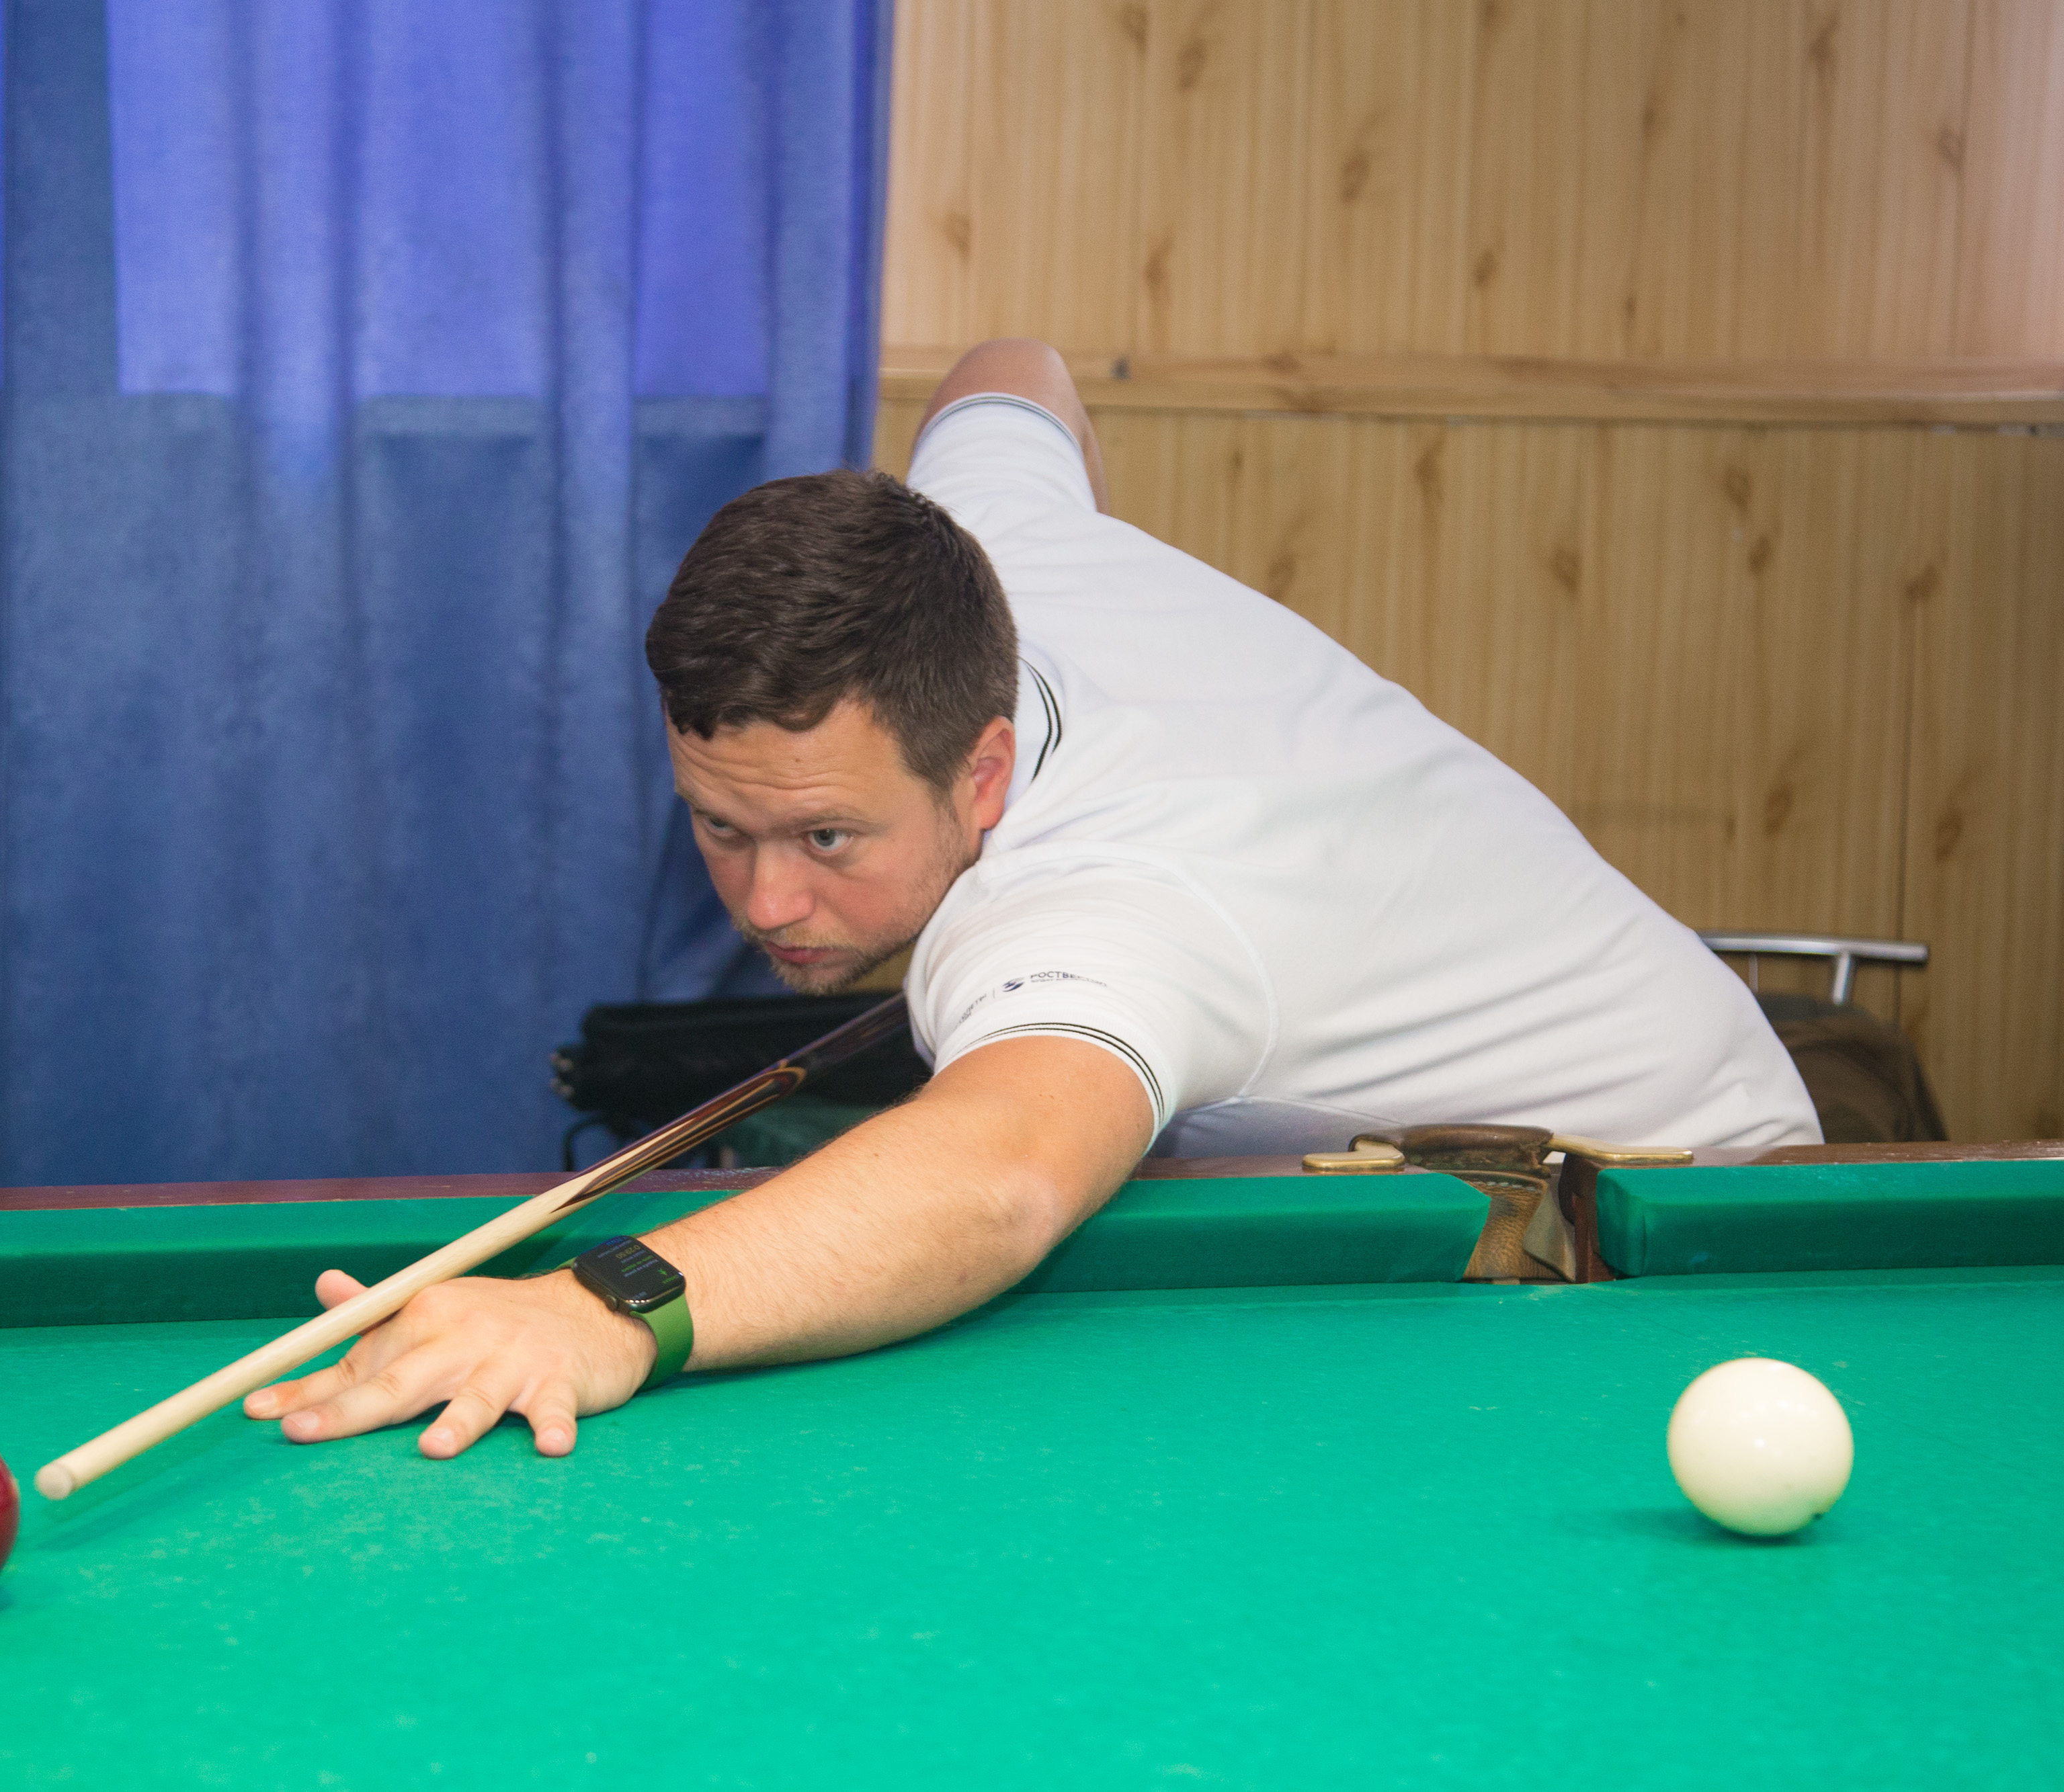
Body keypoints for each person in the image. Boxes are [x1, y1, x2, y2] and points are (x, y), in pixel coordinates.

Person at [243, 338, 1818, 1459]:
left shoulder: (1093, 913)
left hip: (1687, 1216)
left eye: (826, 837)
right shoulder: (982, 554)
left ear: (983, 769)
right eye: (719, 827)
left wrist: (603, 1307)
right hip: (1436, 1182)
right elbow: (1010, 374)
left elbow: (997, 1178)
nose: (766, 897)